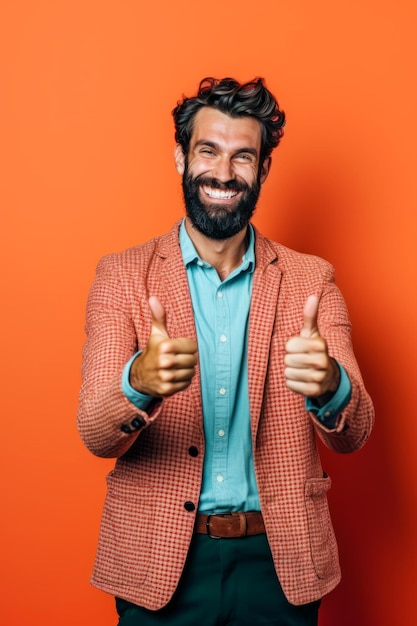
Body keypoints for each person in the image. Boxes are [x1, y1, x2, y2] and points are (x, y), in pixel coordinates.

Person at [77, 77, 374, 626]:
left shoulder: (313, 278)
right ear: (180, 157)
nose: (223, 172)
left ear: (262, 170)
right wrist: (137, 381)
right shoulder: (120, 276)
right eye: (207, 151)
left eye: (243, 157)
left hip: (279, 564)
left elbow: (356, 433)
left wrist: (331, 385)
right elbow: (95, 433)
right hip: (158, 562)